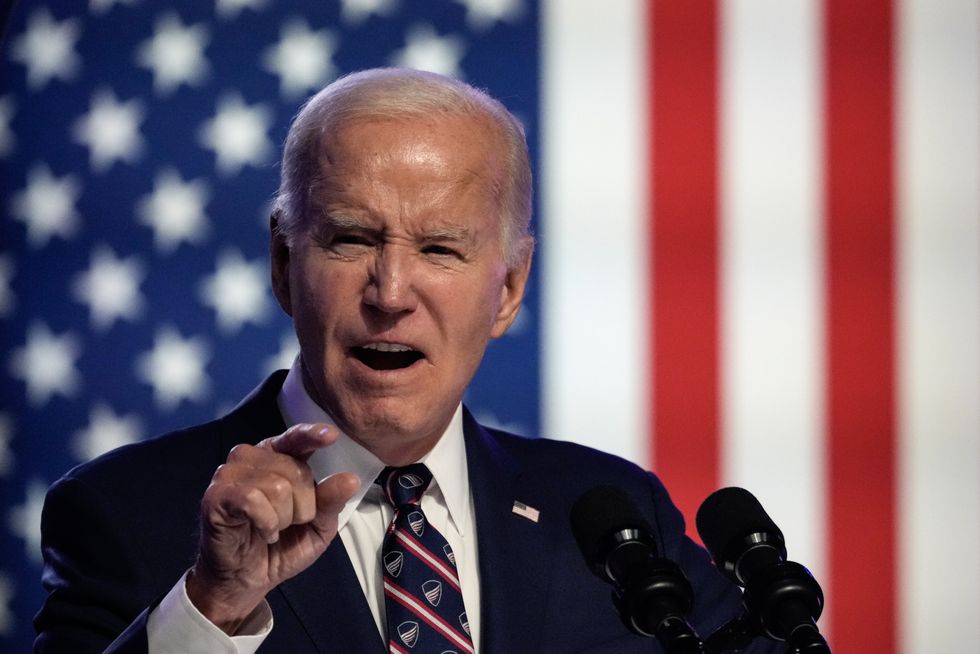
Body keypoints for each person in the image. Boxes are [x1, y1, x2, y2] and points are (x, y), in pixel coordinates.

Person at [35, 68, 778, 653]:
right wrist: (213, 607)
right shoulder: (125, 513)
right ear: (283, 262)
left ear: (510, 288)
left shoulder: (611, 519)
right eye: (351, 239)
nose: (390, 293)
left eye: (439, 249)